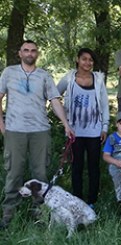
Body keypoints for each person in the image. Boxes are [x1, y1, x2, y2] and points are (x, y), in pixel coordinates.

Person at [0, 40, 73, 228]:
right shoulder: (9, 73)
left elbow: (55, 101)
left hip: (40, 131)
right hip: (15, 130)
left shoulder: (44, 76)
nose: (29, 53)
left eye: (33, 51)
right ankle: (8, 215)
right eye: (26, 50)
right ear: (20, 53)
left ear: (37, 54)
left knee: (40, 173)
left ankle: (39, 213)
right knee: (14, 172)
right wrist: (2, 126)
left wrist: (66, 124)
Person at [57, 48, 110, 209]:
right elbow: (54, 96)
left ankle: (92, 201)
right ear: (78, 60)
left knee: (94, 166)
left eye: (91, 60)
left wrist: (105, 127)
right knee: (77, 166)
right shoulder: (69, 78)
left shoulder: (99, 79)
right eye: (84, 59)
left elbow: (105, 104)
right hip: (74, 131)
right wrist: (64, 120)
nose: (87, 63)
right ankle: (77, 200)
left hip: (94, 130)